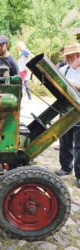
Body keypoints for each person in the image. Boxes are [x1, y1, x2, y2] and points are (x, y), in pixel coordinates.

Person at [54, 42, 80, 188]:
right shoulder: (64, 69)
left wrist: (74, 86)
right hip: (65, 111)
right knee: (64, 141)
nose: (68, 58)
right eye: (67, 56)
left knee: (79, 146)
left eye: (70, 56)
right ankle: (65, 167)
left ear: (78, 55)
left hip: (79, 113)